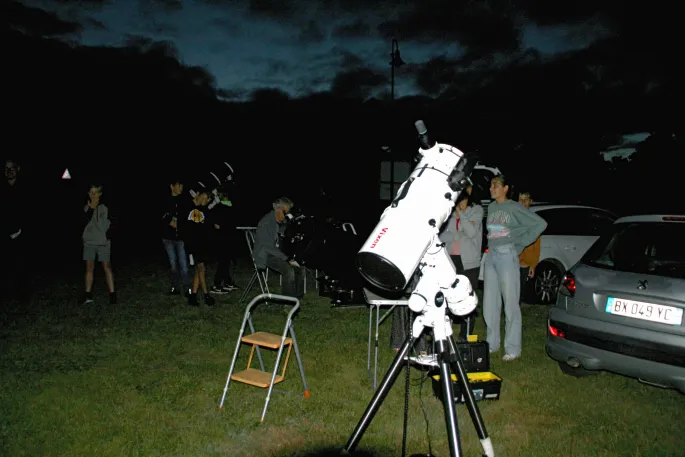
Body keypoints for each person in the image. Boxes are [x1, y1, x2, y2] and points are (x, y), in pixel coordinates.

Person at [483, 175, 547, 361]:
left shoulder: (514, 207)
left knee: (510, 303)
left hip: (506, 256)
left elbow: (540, 224)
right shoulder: (493, 207)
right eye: (491, 185)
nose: (491, 188)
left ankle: (512, 348)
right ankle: (492, 343)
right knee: (489, 303)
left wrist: (518, 244)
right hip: (491, 255)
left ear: (505, 188)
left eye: (495, 185)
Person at [439, 190, 484, 340]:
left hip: (469, 262)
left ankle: (466, 336)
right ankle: (446, 333)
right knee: (448, 295)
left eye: (463, 201)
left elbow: (471, 232)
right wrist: (458, 234)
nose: (461, 204)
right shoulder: (451, 214)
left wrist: (461, 215)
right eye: (458, 202)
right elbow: (442, 236)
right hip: (451, 259)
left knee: (468, 298)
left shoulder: (476, 210)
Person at [253, 197, 304, 299]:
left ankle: (297, 298)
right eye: (286, 212)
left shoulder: (279, 222)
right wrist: (287, 259)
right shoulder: (266, 222)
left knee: (299, 266)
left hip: (277, 253)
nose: (287, 214)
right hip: (264, 254)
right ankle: (288, 302)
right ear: (279, 210)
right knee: (289, 270)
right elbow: (268, 247)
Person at [0, 158, 30, 303]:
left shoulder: (25, 188)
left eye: (12, 168)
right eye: (6, 168)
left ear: (18, 169)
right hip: (4, 234)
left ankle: (23, 296)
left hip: (22, 234)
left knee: (22, 265)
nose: (9, 170)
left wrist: (22, 230)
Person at [82, 184, 117, 305]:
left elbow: (113, 221)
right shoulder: (86, 207)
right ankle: (87, 295)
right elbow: (83, 222)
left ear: (100, 193)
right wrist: (91, 209)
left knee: (107, 267)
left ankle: (113, 295)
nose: (93, 195)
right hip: (89, 243)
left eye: (95, 192)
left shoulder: (105, 207)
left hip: (103, 243)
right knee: (89, 269)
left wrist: (107, 236)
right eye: (91, 192)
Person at [180, 187, 215, 307]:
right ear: (198, 194)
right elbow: (183, 226)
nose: (204, 201)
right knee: (201, 269)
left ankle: (193, 296)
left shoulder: (204, 210)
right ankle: (206, 295)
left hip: (202, 244)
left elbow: (207, 226)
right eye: (203, 197)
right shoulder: (187, 207)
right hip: (192, 244)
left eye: (207, 200)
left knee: (199, 269)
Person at [162, 178, 191, 296]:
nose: (181, 187)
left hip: (181, 238)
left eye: (182, 185)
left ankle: (187, 289)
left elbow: (184, 219)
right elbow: (165, 218)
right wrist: (171, 221)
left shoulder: (184, 201)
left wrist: (177, 222)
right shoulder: (165, 201)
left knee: (184, 264)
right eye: (178, 185)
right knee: (173, 264)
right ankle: (175, 287)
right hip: (168, 237)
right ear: (172, 186)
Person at [209, 187, 239, 294]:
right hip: (225, 239)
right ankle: (218, 285)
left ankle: (225, 283)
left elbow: (218, 224)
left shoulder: (223, 207)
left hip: (225, 239)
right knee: (224, 262)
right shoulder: (224, 207)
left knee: (225, 262)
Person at [518, 191, 541, 303]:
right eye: (520, 199)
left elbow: (536, 245)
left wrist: (533, 265)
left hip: (525, 263)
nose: (523, 202)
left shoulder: (535, 221)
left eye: (526, 199)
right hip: (511, 259)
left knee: (520, 290)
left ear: (530, 202)